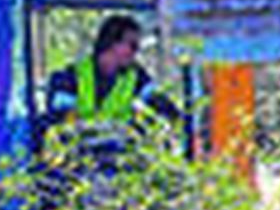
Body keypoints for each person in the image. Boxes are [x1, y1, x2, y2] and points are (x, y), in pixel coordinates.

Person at [44, 15, 179, 131]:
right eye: (132, 45)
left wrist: (181, 122)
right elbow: (60, 118)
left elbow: (159, 102)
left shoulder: (136, 76)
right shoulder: (71, 77)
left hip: (119, 152)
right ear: (111, 43)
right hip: (79, 152)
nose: (136, 51)